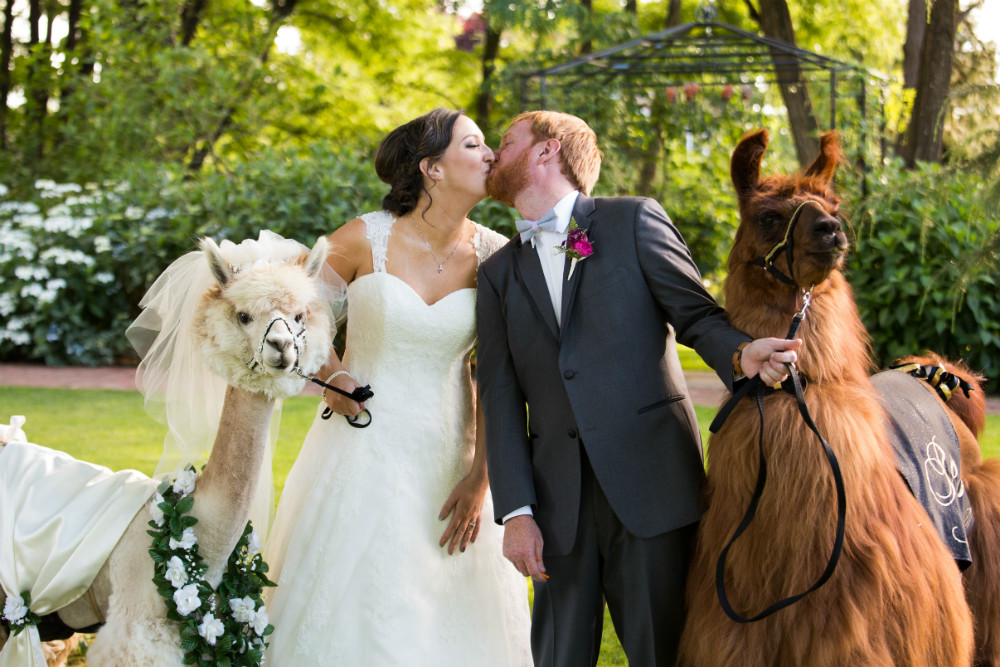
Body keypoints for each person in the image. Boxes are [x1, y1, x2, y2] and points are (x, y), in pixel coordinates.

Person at [476, 110, 802, 667]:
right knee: (558, 656)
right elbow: (500, 400)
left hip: (652, 484)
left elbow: (695, 313)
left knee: (664, 651)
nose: (491, 156)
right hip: (558, 506)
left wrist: (740, 352)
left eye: (505, 143)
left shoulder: (631, 222)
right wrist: (517, 513)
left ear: (546, 152)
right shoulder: (498, 272)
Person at [263, 108, 532, 667]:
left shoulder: (497, 256)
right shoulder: (366, 237)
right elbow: (291, 301)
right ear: (432, 167)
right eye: (474, 144)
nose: (490, 156)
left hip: (448, 456)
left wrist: (482, 477)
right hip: (361, 447)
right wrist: (332, 371)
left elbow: (502, 376)